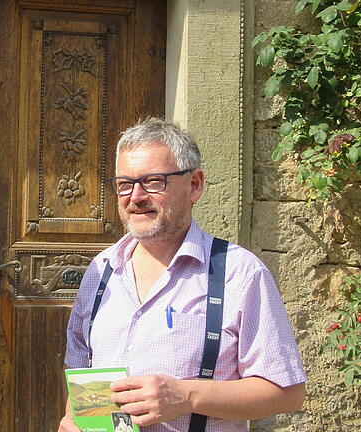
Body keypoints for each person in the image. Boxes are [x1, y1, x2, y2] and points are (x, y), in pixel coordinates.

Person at [58, 118, 307, 432]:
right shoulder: (100, 271)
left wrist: (186, 395)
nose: (135, 196)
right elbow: (80, 371)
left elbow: (286, 393)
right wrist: (71, 420)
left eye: (153, 181)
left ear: (194, 185)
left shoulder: (239, 273)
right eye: (124, 184)